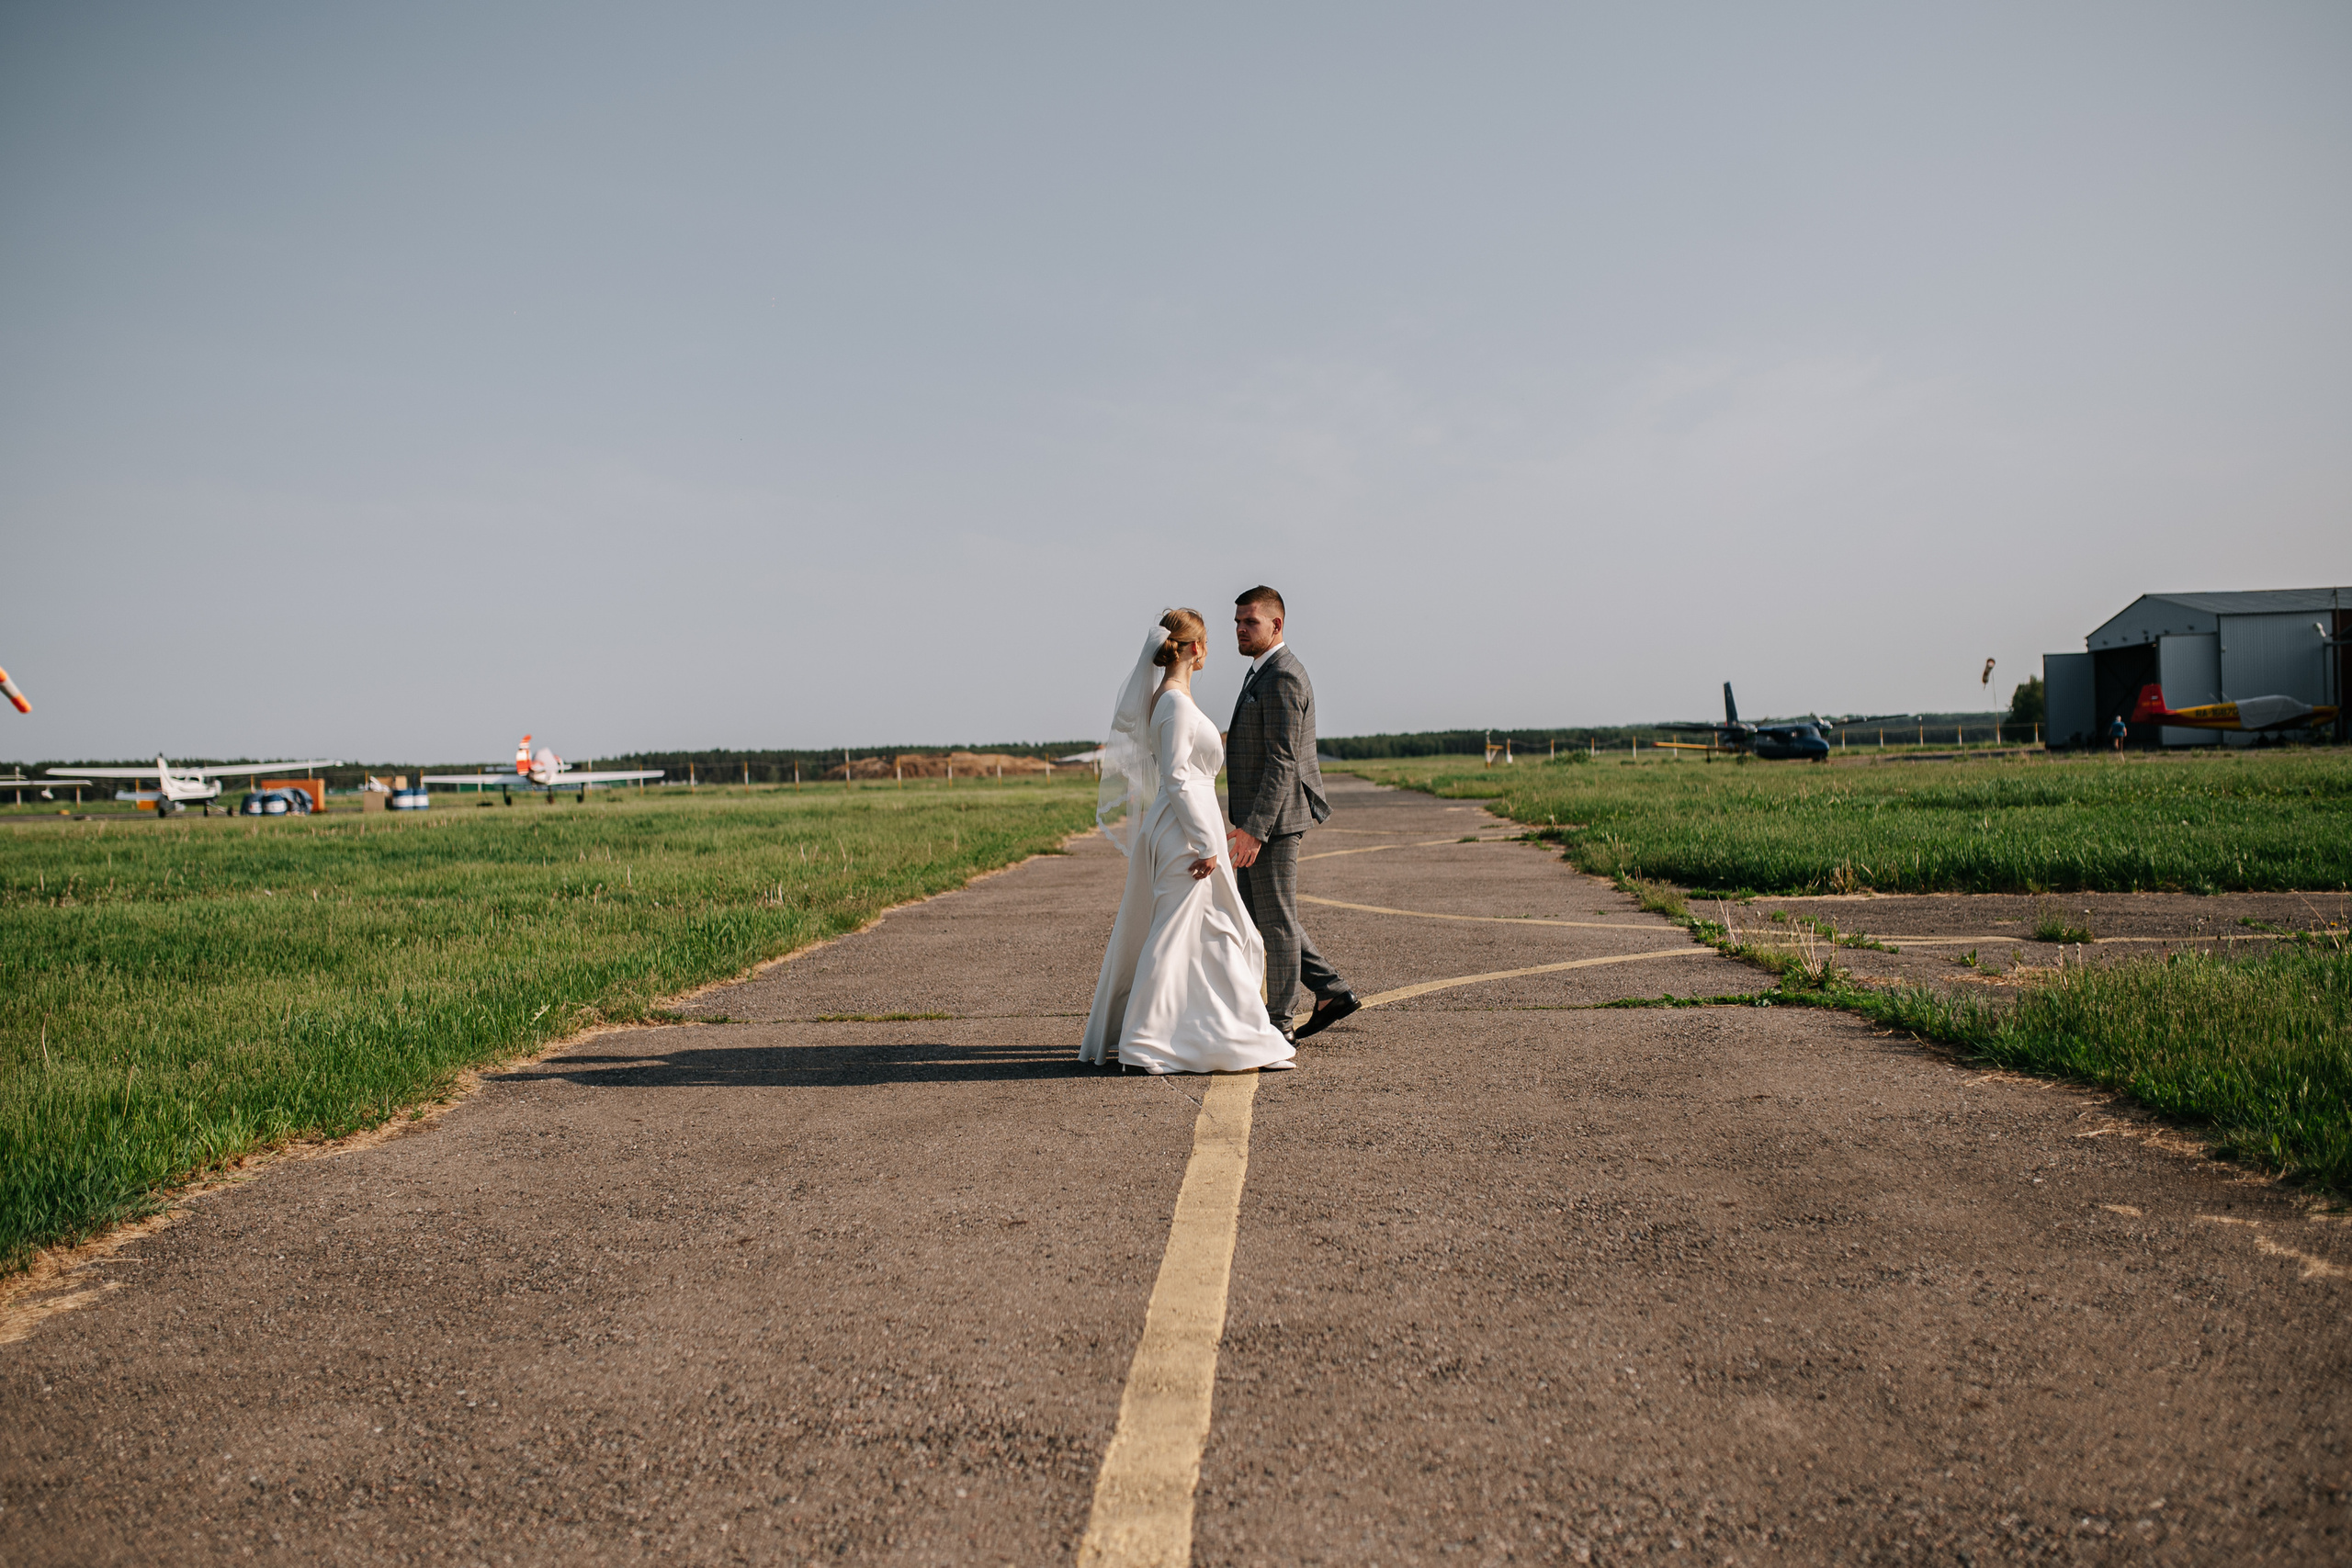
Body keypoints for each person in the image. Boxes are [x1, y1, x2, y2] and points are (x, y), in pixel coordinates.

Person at [1080, 610, 1297, 1075]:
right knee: (1181, 931)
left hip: (1189, 822)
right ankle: (1147, 1041)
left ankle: (1228, 1034)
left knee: (1211, 931)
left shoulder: (1166, 697)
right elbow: (1178, 776)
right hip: (1184, 829)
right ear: (1196, 649)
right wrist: (1205, 843)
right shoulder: (1175, 704)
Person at [1226, 586, 1358, 1043]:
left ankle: (1279, 1025)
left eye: (1250, 622)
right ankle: (1330, 990)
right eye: (1238, 622)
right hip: (1260, 819)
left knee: (1276, 921)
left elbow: (1282, 761)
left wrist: (1255, 830)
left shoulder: (1282, 676)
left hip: (1276, 823)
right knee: (1265, 915)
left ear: (1276, 625)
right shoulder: (1260, 671)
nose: (1240, 630)